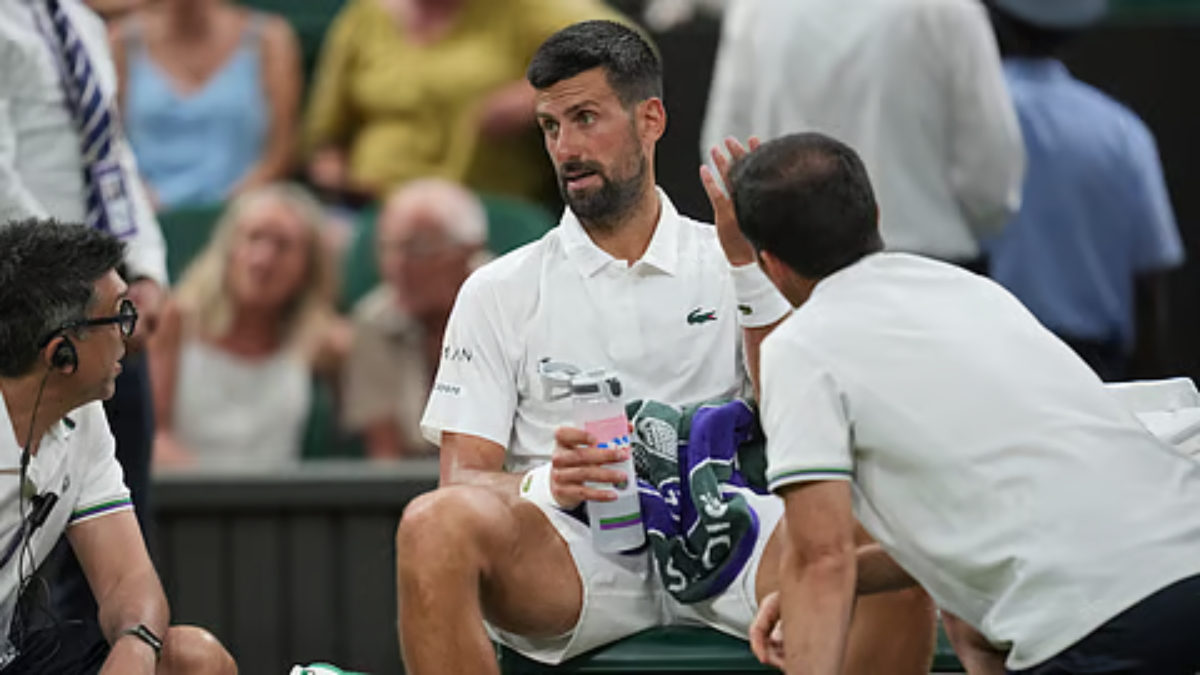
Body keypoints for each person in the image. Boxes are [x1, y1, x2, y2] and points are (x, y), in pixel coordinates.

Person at [396, 20, 935, 675]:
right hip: (572, 551)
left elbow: (797, 418)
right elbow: (463, 479)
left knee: (899, 546)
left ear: (650, 119)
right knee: (433, 525)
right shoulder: (496, 289)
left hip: (727, 529)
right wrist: (545, 480)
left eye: (586, 117)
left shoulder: (731, 259)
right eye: (549, 126)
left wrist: (746, 272)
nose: (566, 146)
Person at [734, 132, 1200, 674]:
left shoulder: (799, 345)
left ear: (771, 265)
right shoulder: (972, 291)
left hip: (1094, 622)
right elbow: (980, 531)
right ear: (875, 213)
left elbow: (821, 559)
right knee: (970, 619)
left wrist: (809, 586)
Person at [0, 0, 168, 648]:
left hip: (88, 303)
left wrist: (143, 274)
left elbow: (112, 156)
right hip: (34, 302)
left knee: (116, 538)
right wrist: (76, 285)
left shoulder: (84, 23)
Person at [0, 219, 238, 674]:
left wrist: (137, 643)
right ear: (61, 353)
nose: (130, 334)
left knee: (193, 659)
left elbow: (128, 581)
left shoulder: (83, 414)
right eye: (119, 316)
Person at [701, 0, 1025, 271]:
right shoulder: (950, 11)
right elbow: (992, 172)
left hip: (794, 277)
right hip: (924, 269)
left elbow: (726, 156)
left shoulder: (756, 8)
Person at [981, 0, 1184, 382]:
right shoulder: (1123, 133)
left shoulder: (965, 123)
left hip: (988, 363)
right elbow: (1150, 284)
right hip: (1094, 371)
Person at [302, 0, 622, 208]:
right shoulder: (364, 18)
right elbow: (324, 138)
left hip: (483, 208)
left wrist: (542, 96)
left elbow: (620, 46)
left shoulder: (521, 9)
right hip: (370, 208)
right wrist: (339, 184)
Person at [149, 184, 345, 469]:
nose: (263, 259)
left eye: (283, 246)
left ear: (307, 266)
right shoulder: (176, 320)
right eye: (253, 238)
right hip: (187, 500)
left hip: (279, 506)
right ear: (229, 249)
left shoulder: (318, 339)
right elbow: (155, 437)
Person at [342, 179, 489, 460]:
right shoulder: (373, 322)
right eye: (388, 248)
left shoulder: (514, 307)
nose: (397, 265)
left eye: (417, 248)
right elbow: (387, 458)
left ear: (468, 251)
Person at [110, 0, 303, 211]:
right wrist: (140, 199)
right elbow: (107, 146)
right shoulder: (120, 43)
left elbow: (281, 150)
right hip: (145, 215)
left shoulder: (270, 38)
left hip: (243, 214)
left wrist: (236, 207)